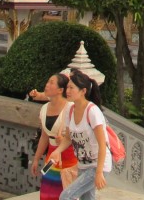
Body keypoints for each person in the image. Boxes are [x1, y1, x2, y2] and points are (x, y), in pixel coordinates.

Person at [49, 69, 112, 200]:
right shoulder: (70, 110)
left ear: (83, 91)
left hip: (98, 165)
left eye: (72, 88)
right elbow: (68, 138)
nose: (68, 91)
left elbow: (102, 145)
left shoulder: (93, 112)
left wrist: (99, 173)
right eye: (67, 87)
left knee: (66, 196)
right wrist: (58, 151)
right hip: (83, 164)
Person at [29, 73, 75, 200]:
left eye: (51, 82)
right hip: (51, 156)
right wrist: (36, 158)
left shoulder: (70, 107)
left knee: (65, 194)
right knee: (47, 193)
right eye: (48, 81)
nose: (47, 85)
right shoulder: (44, 108)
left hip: (69, 158)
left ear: (60, 90)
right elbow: (44, 136)